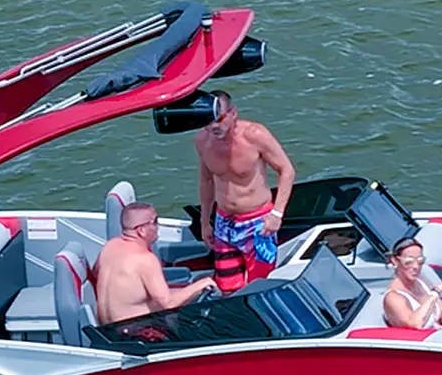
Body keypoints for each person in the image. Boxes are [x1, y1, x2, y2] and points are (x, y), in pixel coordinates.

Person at [193, 90, 296, 294]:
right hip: (224, 224)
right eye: (208, 121)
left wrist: (277, 214)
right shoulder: (202, 141)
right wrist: (205, 222)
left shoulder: (255, 135)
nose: (213, 126)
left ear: (233, 113)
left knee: (259, 287)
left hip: (258, 224)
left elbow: (287, 170)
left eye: (219, 119)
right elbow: (206, 180)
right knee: (227, 288)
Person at [92, 202, 214, 325]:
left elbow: (96, 274)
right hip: (132, 332)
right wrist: (202, 283)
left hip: (105, 328)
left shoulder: (109, 246)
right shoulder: (145, 259)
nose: (158, 226)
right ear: (141, 230)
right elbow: (168, 304)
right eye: (155, 221)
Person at [382, 236, 442, 330]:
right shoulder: (393, 297)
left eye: (420, 261)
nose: (416, 266)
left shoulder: (421, 283)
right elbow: (416, 324)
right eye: (409, 262)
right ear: (395, 261)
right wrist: (436, 292)